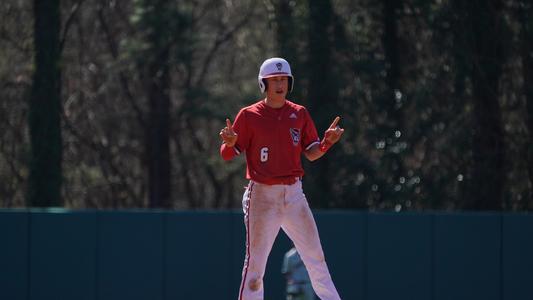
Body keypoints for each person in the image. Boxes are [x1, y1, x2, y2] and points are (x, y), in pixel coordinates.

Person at [219, 57, 343, 300]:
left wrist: (327, 142)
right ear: (263, 84)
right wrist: (230, 143)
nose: (280, 84)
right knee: (255, 270)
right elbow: (226, 154)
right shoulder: (249, 115)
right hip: (263, 195)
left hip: (294, 194)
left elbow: (311, 152)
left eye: (284, 79)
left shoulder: (299, 113)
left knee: (316, 258)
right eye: (274, 79)